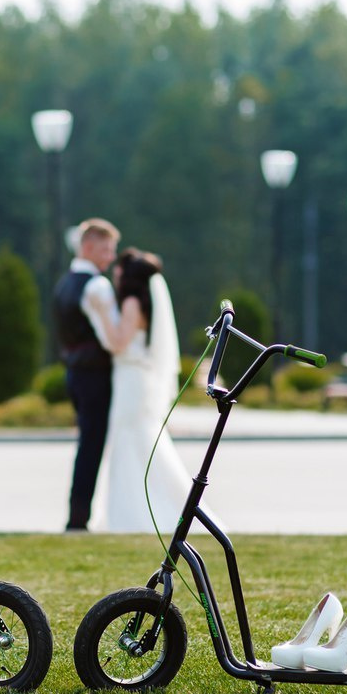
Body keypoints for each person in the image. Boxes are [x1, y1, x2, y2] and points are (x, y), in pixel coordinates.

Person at [88, 249, 216, 533]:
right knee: (139, 444)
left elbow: (119, 342)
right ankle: (146, 507)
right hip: (135, 379)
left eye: (120, 270)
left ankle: (130, 513)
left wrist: (100, 315)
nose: (116, 274)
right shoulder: (144, 303)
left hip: (131, 380)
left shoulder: (132, 302)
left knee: (128, 442)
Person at [53, 218, 120, 532]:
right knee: (91, 447)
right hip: (95, 375)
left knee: (86, 445)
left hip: (74, 372)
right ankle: (78, 519)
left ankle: (77, 515)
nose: (110, 256)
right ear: (88, 246)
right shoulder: (96, 285)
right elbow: (111, 340)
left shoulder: (64, 283)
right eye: (106, 249)